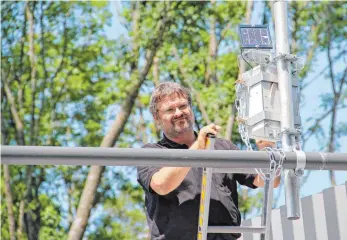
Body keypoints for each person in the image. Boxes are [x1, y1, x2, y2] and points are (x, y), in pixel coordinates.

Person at [137, 82, 280, 240]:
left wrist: (269, 153)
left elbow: (268, 181)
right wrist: (198, 148)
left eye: (183, 106)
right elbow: (161, 185)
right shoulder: (151, 152)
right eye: (170, 109)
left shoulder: (222, 146)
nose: (179, 113)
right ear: (157, 118)